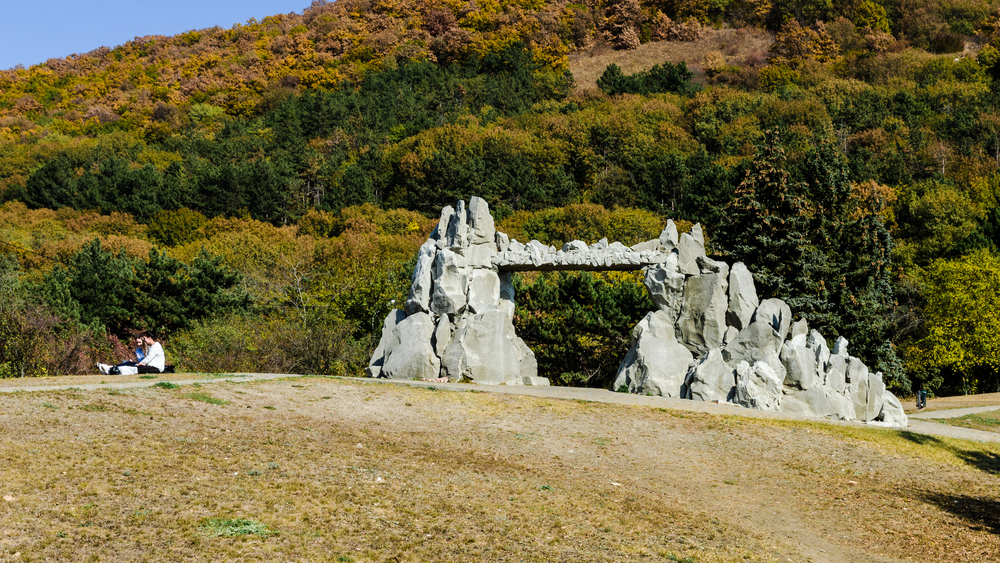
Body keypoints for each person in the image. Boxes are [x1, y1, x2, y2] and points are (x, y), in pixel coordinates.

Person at [98, 332, 166, 375]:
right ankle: (110, 370)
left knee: (133, 369)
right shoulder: (151, 347)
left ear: (150, 338)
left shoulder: (156, 346)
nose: (144, 340)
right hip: (150, 366)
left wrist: (141, 363)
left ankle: (112, 371)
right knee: (132, 367)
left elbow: (149, 358)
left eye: (145, 338)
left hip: (156, 368)